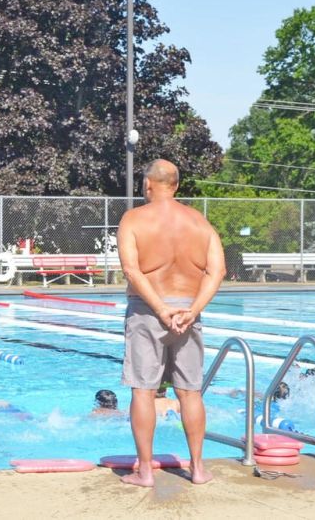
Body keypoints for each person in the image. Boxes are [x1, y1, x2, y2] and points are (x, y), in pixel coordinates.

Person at [117, 159, 225, 487]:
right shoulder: (200, 222)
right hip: (189, 314)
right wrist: (192, 310)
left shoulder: (133, 220)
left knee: (144, 390)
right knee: (190, 393)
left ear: (148, 185)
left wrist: (162, 309)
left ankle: (145, 471)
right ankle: (197, 469)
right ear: (176, 185)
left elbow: (132, 270)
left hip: (148, 311)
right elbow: (216, 271)